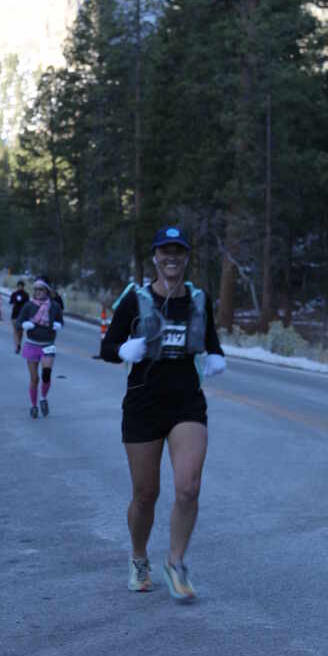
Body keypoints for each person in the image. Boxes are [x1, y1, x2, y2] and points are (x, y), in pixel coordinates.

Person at [99, 224, 224, 600]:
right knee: (145, 494)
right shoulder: (134, 300)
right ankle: (139, 558)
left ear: (186, 257)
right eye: (165, 251)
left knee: (188, 487)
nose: (172, 257)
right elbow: (108, 347)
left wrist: (216, 356)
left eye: (178, 251)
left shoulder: (199, 299)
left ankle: (176, 561)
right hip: (143, 403)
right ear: (155, 257)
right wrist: (123, 350)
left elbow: (211, 341)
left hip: (187, 403)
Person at [17, 278, 62, 416]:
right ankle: (34, 405)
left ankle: (43, 398)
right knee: (34, 378)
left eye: (41, 289)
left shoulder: (54, 306)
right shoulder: (28, 306)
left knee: (46, 374)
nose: (38, 292)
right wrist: (24, 324)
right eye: (35, 289)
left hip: (48, 344)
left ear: (47, 291)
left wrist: (58, 324)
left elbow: (60, 320)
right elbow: (18, 322)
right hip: (32, 344)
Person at [8, 280, 29, 354]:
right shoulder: (14, 294)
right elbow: (10, 302)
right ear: (17, 286)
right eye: (19, 286)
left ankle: (19, 343)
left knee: (20, 331)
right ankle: (17, 345)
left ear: (23, 287)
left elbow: (27, 304)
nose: (20, 287)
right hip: (14, 314)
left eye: (21, 286)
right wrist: (13, 301)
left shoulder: (26, 295)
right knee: (15, 331)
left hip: (22, 315)